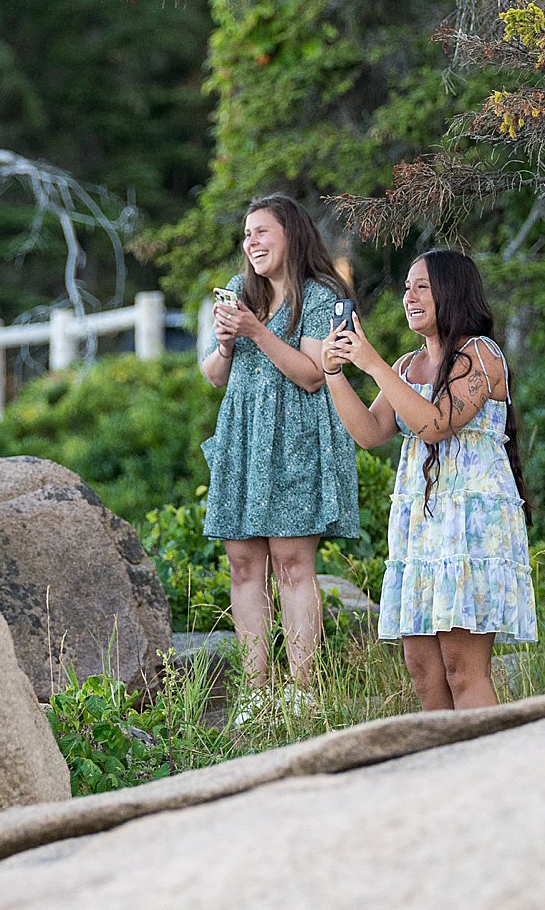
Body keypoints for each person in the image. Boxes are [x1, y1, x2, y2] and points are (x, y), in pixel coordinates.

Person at [322, 249, 537, 710]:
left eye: (422, 286)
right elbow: (369, 431)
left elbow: (436, 424)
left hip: (470, 528)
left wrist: (372, 363)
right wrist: (334, 371)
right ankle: (443, 770)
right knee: (423, 671)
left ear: (452, 291)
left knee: (462, 668)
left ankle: (491, 765)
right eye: (406, 287)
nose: (410, 296)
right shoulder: (405, 367)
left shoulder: (481, 355)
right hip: (422, 529)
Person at [200, 195, 360, 714]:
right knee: (243, 566)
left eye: (262, 231)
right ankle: (256, 692)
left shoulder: (319, 295)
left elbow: (314, 374)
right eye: (247, 234)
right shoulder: (243, 295)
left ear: (290, 234)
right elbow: (213, 375)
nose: (251, 243)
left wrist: (255, 331)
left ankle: (302, 692)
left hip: (295, 439)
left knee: (292, 564)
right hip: (243, 439)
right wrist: (226, 343)